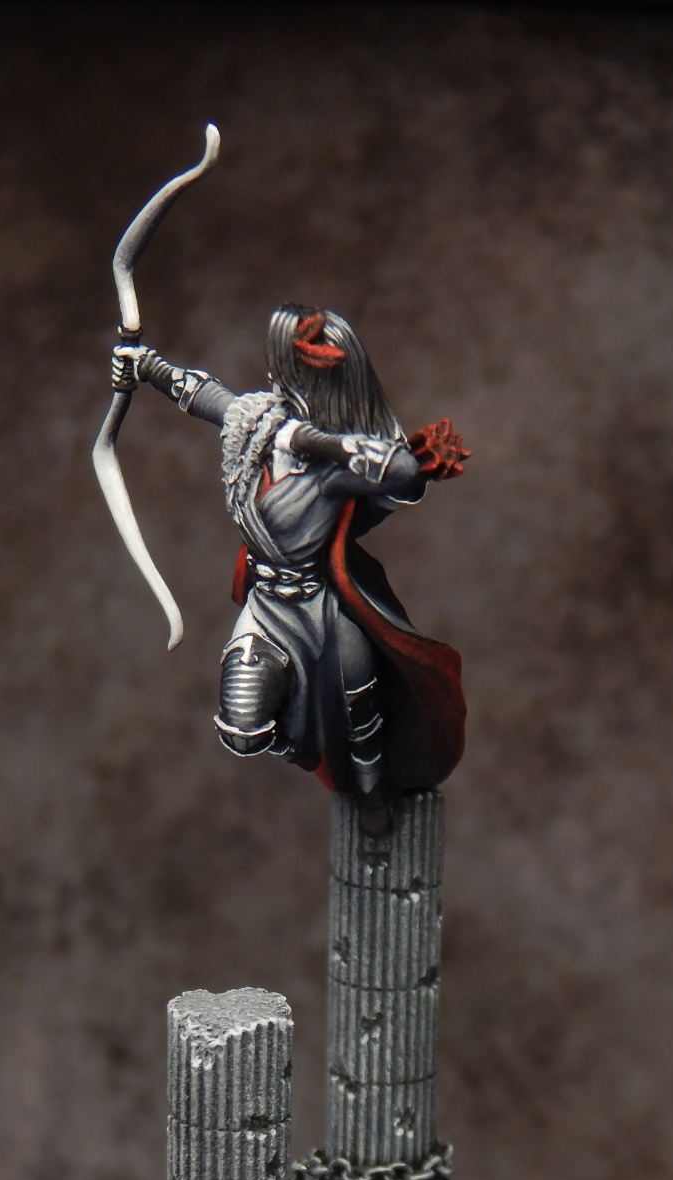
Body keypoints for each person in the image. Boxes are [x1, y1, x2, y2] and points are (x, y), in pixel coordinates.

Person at [112, 303, 470, 832]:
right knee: (242, 728)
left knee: (360, 701)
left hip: (320, 608)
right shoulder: (253, 425)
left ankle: (371, 784)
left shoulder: (331, 472)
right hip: (266, 607)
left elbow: (399, 470)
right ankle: (303, 747)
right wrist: (142, 365)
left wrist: (330, 446)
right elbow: (201, 394)